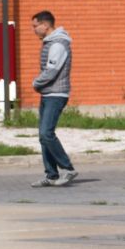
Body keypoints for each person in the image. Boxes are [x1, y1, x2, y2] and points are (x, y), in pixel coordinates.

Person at [28, 10, 77, 188]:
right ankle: (51, 175)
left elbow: (52, 71)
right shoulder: (50, 42)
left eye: (35, 26)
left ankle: (68, 168)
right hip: (48, 93)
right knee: (43, 136)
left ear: (45, 25)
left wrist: (36, 82)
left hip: (56, 94)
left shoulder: (58, 44)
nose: (34, 30)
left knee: (46, 134)